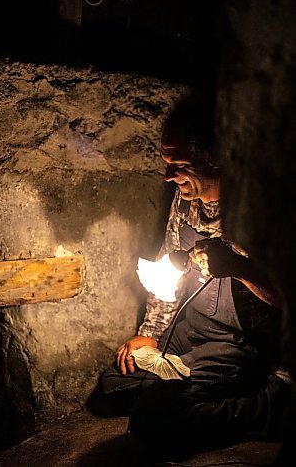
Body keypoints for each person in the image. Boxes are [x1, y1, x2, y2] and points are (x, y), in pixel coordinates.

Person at [90, 99, 292, 460]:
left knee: (153, 421)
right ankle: (183, 390)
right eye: (168, 165)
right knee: (111, 388)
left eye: (180, 166)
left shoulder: (259, 210)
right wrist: (150, 333)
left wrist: (239, 267)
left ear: (216, 158)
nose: (169, 177)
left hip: (236, 343)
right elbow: (165, 267)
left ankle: (271, 407)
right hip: (190, 329)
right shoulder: (185, 202)